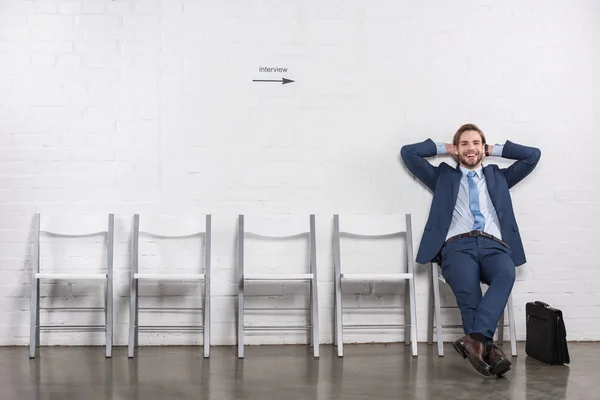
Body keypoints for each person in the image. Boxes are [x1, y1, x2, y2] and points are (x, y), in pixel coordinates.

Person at [400, 123, 541, 377]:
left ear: (483, 147)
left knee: (506, 274)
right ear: (457, 149)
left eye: (476, 143)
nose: (471, 148)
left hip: (494, 245)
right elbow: (408, 153)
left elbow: (533, 155)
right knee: (470, 294)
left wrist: (492, 149)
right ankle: (491, 351)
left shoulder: (499, 176)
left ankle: (475, 340)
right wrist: (445, 148)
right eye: (464, 144)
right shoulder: (443, 176)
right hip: (457, 246)